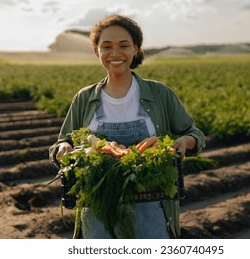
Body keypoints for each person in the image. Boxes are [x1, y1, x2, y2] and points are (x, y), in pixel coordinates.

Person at [49, 14, 205, 239]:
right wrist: (63, 149)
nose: (115, 53)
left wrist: (183, 142)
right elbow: (62, 142)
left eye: (124, 45)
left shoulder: (159, 93)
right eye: (107, 46)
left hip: (151, 212)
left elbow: (194, 134)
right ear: (97, 51)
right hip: (97, 212)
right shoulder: (84, 99)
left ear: (135, 49)